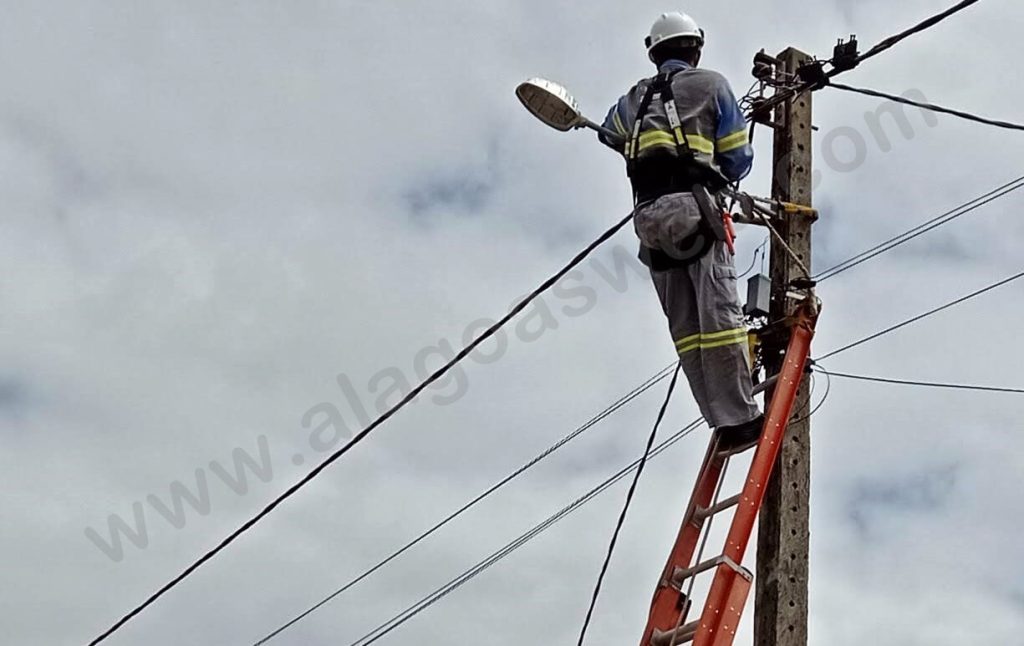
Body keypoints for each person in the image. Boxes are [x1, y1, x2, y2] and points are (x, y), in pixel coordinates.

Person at [598, 11, 763, 449]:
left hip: (649, 221)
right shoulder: (711, 85)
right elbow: (737, 156)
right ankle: (741, 419)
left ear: (655, 53)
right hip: (693, 208)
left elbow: (609, 134)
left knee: (687, 329)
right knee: (720, 317)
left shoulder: (634, 97)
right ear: (695, 49)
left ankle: (720, 420)